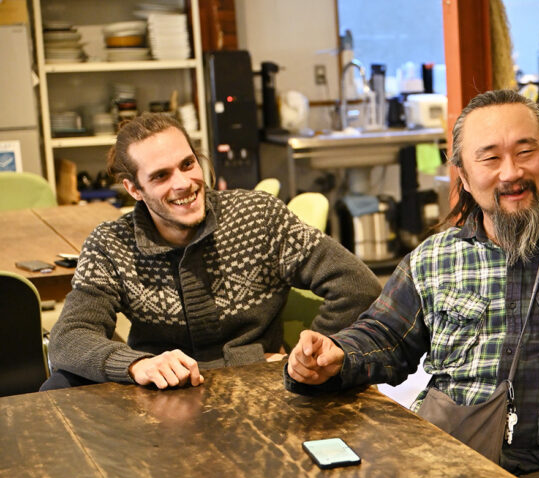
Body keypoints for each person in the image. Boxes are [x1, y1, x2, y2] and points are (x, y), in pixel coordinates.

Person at [285, 89, 539, 478]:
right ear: (461, 173)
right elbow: (384, 334)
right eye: (490, 158)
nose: (511, 172)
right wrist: (336, 354)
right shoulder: (433, 257)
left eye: (525, 152)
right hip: (447, 463)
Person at [43, 113, 380, 390]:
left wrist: (303, 359)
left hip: (254, 389)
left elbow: (356, 284)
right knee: (58, 386)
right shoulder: (110, 244)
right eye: (160, 176)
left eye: (187, 164)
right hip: (161, 397)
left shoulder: (258, 216)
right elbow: (68, 338)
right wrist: (136, 365)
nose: (183, 183)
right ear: (134, 189)